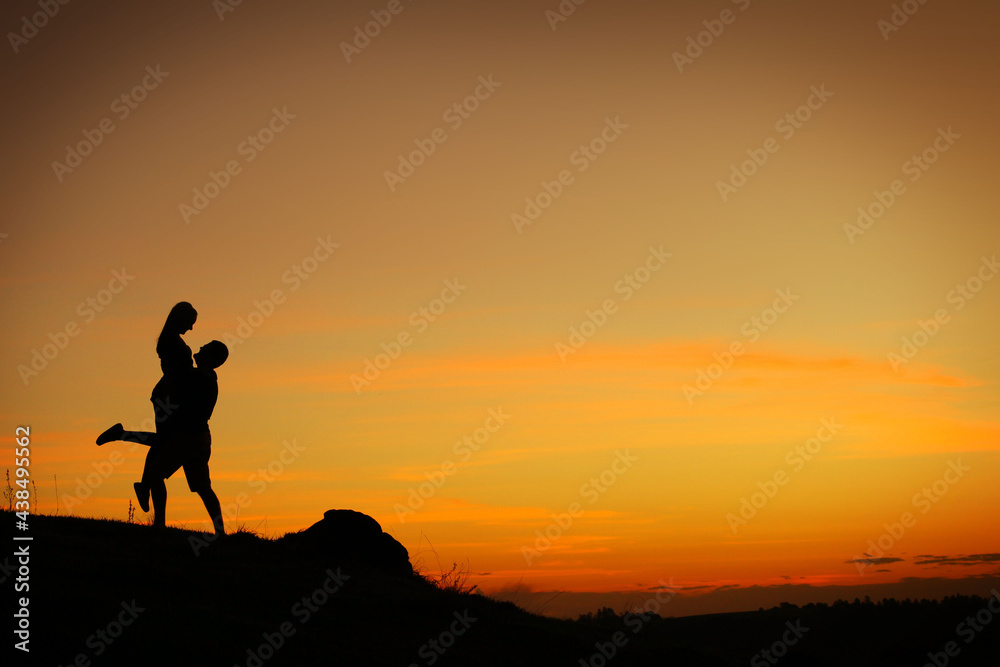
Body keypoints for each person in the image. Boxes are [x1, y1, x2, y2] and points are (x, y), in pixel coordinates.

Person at [97, 341, 229, 535]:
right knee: (202, 487)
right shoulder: (205, 377)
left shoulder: (198, 377)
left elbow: (176, 381)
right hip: (199, 437)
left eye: (204, 348)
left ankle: (159, 524)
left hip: (189, 436)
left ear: (211, 357)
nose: (199, 349)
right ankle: (220, 532)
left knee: (156, 474)